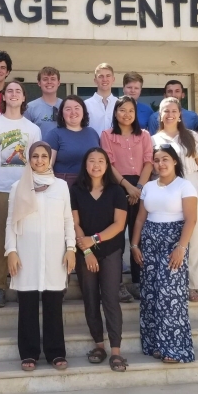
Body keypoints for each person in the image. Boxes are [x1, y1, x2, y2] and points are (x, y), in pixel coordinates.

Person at [5, 142, 76, 371]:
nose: (39, 160)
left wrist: (71, 248)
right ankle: (29, 353)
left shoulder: (61, 186)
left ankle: (55, 352)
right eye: (34, 156)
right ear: (28, 159)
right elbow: (10, 222)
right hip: (26, 251)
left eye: (44, 156)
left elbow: (68, 220)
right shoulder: (18, 186)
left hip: (55, 252)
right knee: (27, 303)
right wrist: (11, 251)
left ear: (50, 159)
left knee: (54, 303)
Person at [130, 144, 198, 363]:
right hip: (149, 243)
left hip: (173, 243)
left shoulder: (184, 186)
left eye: (165, 159)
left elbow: (191, 219)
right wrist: (134, 245)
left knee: (171, 296)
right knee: (151, 294)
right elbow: (140, 219)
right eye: (157, 160)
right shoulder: (148, 187)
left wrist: (181, 248)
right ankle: (155, 345)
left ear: (175, 161)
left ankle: (174, 349)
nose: (160, 164)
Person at [0, 81, 42, 308]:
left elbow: (37, 163)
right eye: (10, 91)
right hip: (2, 190)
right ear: (4, 97)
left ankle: (22, 284)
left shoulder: (33, 129)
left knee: (25, 238)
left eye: (18, 91)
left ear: (24, 97)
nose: (14, 94)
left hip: (26, 190)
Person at [71, 147, 128, 372]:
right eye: (91, 161)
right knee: (91, 298)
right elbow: (74, 224)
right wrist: (86, 251)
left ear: (107, 166)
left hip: (111, 250)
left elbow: (119, 225)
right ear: (85, 165)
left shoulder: (116, 191)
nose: (96, 165)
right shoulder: (75, 190)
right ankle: (99, 345)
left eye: (101, 161)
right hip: (85, 252)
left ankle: (116, 351)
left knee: (111, 299)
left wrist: (93, 240)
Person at [152, 97, 198, 302]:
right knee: (173, 237)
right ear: (160, 114)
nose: (170, 114)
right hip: (167, 191)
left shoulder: (192, 136)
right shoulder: (153, 140)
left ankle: (192, 285)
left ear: (179, 114)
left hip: (192, 188)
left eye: (174, 110)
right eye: (165, 111)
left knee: (193, 237)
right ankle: (172, 282)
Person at [100, 96, 153, 303]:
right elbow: (109, 164)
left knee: (137, 235)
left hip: (142, 186)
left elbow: (149, 162)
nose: (127, 114)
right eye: (122, 110)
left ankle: (139, 282)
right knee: (116, 236)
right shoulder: (107, 135)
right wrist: (128, 187)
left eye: (131, 110)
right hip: (117, 186)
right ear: (115, 112)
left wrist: (138, 188)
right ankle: (117, 284)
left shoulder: (145, 135)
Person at [45, 94, 100, 187]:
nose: (73, 112)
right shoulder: (54, 135)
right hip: (65, 185)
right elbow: (47, 166)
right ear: (62, 113)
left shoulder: (92, 133)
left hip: (91, 184)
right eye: (68, 109)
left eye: (77, 108)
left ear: (83, 111)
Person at [24, 66, 62, 138]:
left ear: (58, 83)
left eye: (53, 79)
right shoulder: (30, 107)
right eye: (45, 79)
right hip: (38, 148)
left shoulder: (65, 106)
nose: (49, 82)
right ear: (39, 83)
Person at [84, 63, 117, 136]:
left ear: (113, 79)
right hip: (92, 146)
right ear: (95, 80)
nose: (105, 79)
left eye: (108, 76)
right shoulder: (85, 105)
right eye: (101, 76)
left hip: (115, 146)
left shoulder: (120, 104)